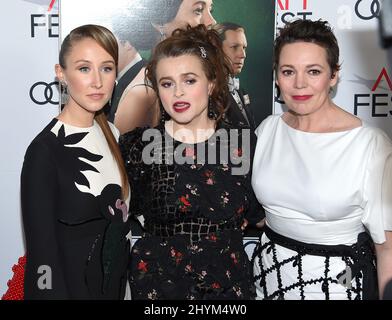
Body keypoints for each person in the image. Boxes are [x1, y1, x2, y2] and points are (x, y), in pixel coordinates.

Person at [120, 24, 264, 300]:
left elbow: (261, 215)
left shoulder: (241, 145)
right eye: (167, 83)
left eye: (189, 80)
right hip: (158, 291)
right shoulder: (138, 146)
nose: (178, 93)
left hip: (227, 291)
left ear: (210, 83)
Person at [251, 19, 392, 300]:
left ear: (333, 76)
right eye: (288, 71)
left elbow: (386, 248)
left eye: (313, 71)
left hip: (337, 282)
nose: (299, 83)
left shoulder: (370, 145)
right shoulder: (268, 129)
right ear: (277, 76)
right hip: (266, 276)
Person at [21, 24, 131, 299]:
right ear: (61, 74)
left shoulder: (112, 133)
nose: (97, 81)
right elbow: (41, 258)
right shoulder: (45, 151)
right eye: (84, 68)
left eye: (106, 68)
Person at [107, 0, 216, 133]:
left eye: (210, 10)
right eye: (198, 10)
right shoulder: (143, 94)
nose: (212, 21)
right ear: (160, 23)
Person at [214, 22, 256, 130]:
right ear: (216, 49)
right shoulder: (210, 94)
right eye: (234, 47)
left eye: (244, 47)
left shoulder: (241, 92)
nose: (243, 54)